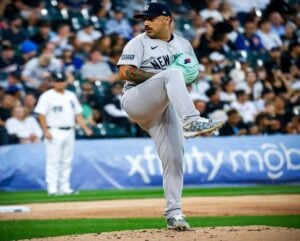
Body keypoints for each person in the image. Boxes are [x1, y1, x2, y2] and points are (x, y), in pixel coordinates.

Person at [117, 2, 223, 231]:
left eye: (151, 18)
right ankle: (192, 120)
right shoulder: (138, 42)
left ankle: (174, 214)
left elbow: (188, 80)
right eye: (144, 18)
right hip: (137, 100)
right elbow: (124, 72)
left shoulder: (184, 45)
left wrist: (182, 81)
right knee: (172, 73)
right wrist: (165, 75)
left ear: (167, 19)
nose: (146, 22)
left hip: (165, 107)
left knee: (175, 158)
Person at [34, 72, 92, 196]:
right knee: (53, 160)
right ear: (53, 82)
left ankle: (64, 187)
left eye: (62, 81)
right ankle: (52, 188)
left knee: (67, 160)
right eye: (57, 81)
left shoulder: (70, 95)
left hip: (70, 130)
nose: (60, 83)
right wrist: (45, 130)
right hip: (54, 130)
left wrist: (85, 128)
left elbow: (78, 114)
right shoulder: (47, 96)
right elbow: (41, 114)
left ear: (66, 82)